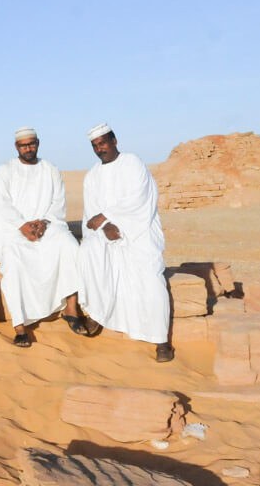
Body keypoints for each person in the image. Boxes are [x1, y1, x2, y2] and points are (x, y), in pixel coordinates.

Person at [78, 123, 174, 362]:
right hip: (105, 235)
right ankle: (98, 314)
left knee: (150, 279)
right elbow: (91, 216)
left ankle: (161, 341)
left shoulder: (132, 163)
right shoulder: (92, 176)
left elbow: (139, 201)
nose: (100, 149)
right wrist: (104, 226)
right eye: (95, 146)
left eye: (103, 143)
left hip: (137, 232)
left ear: (114, 141)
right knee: (87, 253)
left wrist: (112, 219)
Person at [0, 126, 84, 347]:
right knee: (12, 261)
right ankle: (20, 325)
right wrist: (23, 225)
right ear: (17, 147)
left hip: (47, 226)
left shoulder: (50, 169)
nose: (28, 148)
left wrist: (43, 222)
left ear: (38, 143)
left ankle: (71, 308)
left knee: (69, 245)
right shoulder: (5, 170)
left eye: (31, 144)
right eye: (23, 145)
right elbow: (3, 204)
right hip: (16, 230)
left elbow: (58, 202)